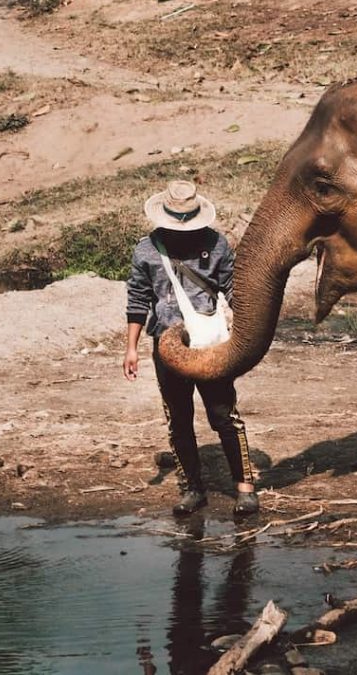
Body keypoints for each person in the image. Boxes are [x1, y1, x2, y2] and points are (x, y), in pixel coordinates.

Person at [123, 180, 259, 517]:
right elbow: (138, 300)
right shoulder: (146, 251)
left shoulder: (216, 245)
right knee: (179, 420)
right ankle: (193, 488)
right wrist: (131, 348)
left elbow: (233, 290)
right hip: (167, 347)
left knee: (223, 416)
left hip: (208, 346)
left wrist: (245, 337)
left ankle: (245, 488)